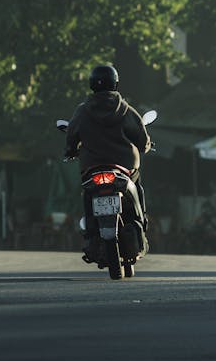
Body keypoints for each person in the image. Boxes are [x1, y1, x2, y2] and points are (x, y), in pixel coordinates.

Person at [63, 65, 151, 254]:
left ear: (91, 85)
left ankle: (90, 235)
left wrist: (70, 150)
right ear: (116, 84)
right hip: (125, 167)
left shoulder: (82, 111)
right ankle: (141, 223)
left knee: (87, 194)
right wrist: (145, 146)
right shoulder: (126, 110)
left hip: (91, 167)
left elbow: (71, 136)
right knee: (138, 187)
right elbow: (142, 139)